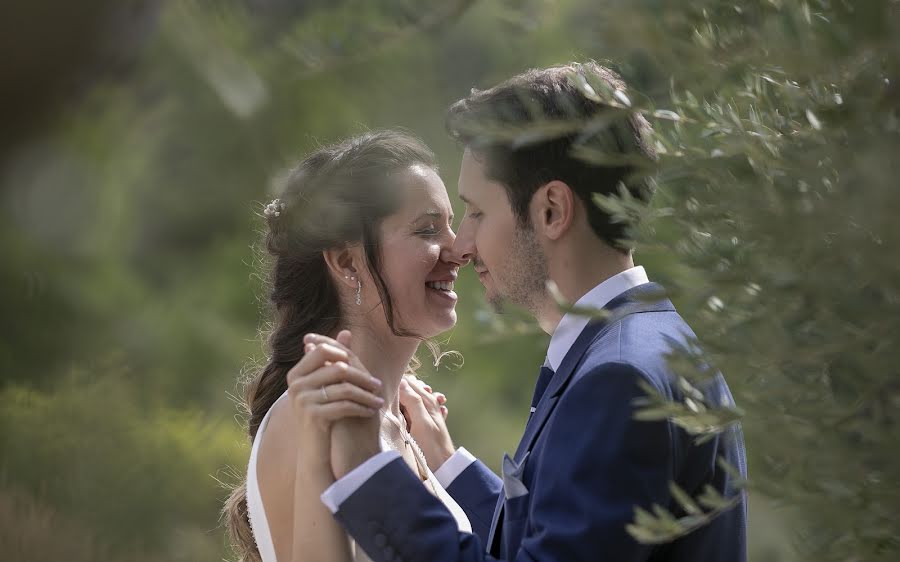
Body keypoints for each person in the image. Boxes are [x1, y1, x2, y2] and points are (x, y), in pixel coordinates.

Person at [305, 62, 748, 561]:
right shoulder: (651, 341)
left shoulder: (618, 378)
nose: (464, 245)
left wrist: (369, 471)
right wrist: (450, 468)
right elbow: (565, 538)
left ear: (551, 210)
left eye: (475, 212)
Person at [223, 130, 471, 562]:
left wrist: (446, 461)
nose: (458, 248)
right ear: (346, 261)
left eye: (453, 224)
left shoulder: (406, 428)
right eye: (429, 229)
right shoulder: (313, 417)